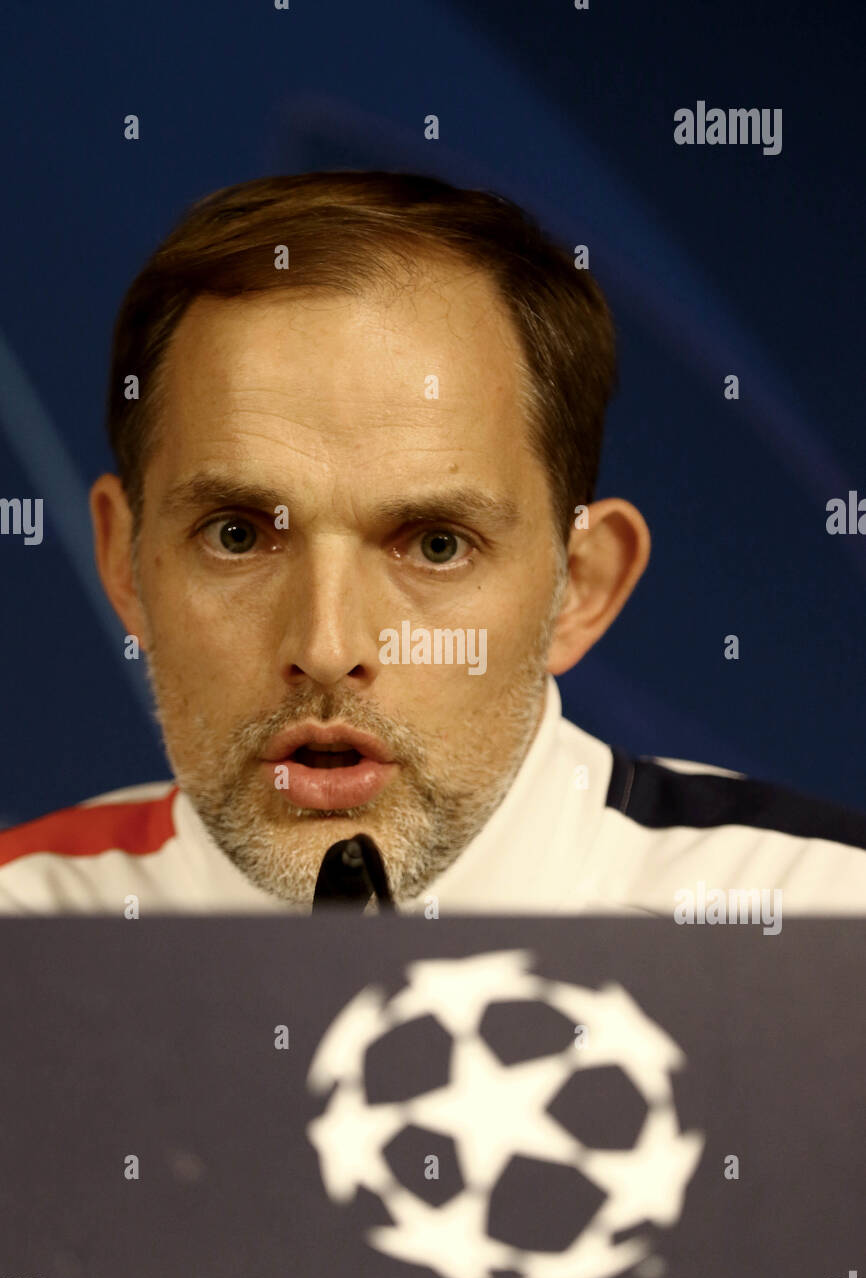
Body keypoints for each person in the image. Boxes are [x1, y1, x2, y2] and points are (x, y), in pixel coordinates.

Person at [1, 171, 864, 916]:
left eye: (437, 546)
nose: (328, 648)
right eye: (238, 536)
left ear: (582, 586)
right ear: (125, 562)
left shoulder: (832, 927)